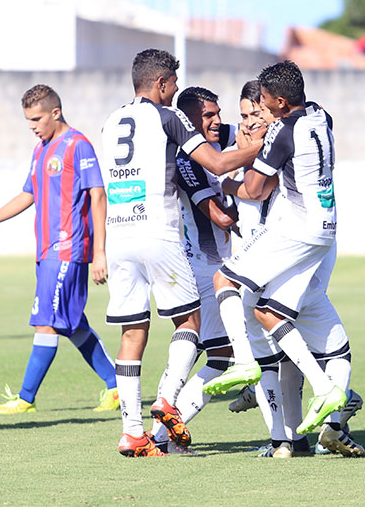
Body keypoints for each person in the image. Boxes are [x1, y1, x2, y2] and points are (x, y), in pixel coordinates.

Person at [100, 49, 263, 457]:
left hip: (119, 235)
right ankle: (167, 398)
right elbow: (219, 162)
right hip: (158, 233)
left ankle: (132, 432)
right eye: (173, 83)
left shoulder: (111, 121)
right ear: (160, 84)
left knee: (132, 332)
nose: (175, 90)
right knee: (187, 321)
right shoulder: (168, 117)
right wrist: (263, 145)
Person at [202, 61, 347, 438]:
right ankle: (326, 389)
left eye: (265, 102)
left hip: (297, 228)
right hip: (326, 229)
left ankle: (245, 363)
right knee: (268, 312)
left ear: (281, 102)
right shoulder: (320, 115)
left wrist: (228, 184)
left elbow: (255, 189)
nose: (261, 109)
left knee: (225, 280)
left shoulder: (283, 131)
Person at [0, 84, 119, 414]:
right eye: (28, 120)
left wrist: (100, 252)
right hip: (47, 251)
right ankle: (116, 386)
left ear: (55, 113)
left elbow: (98, 195)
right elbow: (27, 195)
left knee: (46, 322)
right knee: (72, 324)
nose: (32, 126)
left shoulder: (78, 145)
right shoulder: (41, 149)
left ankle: (25, 398)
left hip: (68, 248)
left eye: (36, 119)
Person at [149, 86, 241, 453]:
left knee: (220, 354)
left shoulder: (217, 136)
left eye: (219, 114)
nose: (218, 122)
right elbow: (219, 217)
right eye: (209, 117)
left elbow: (259, 131)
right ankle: (161, 431)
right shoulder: (189, 161)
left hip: (221, 267)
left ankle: (162, 433)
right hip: (205, 268)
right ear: (190, 121)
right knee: (223, 355)